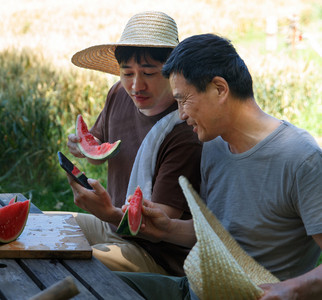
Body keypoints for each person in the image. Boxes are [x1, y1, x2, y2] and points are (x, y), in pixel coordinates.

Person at [116, 33, 322, 299]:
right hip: (192, 290)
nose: (181, 114)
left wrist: (290, 289)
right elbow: (221, 234)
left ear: (219, 89)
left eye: (184, 99)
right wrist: (166, 228)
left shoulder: (302, 160)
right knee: (92, 283)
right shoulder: (213, 145)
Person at [66, 11, 202, 276]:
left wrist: (106, 212)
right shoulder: (119, 93)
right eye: (127, 73)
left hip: (155, 255)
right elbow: (100, 151)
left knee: (65, 261)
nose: (136, 85)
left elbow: (155, 227)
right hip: (114, 224)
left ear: (174, 73)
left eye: (149, 73)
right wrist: (84, 149)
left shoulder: (186, 131)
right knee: (42, 230)